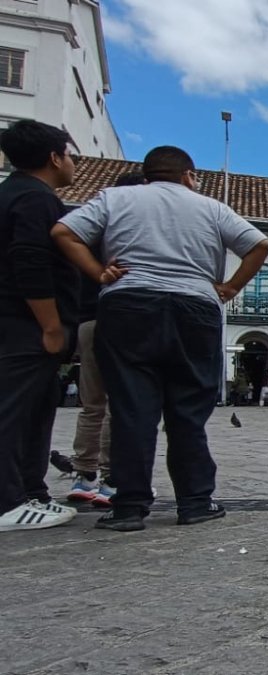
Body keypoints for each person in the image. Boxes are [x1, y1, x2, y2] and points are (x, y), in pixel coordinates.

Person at [53, 145, 268, 532]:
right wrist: (231, 286)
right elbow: (258, 244)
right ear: (188, 175)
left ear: (149, 173)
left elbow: (64, 232)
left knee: (131, 410)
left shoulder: (115, 198)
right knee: (188, 410)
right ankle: (195, 501)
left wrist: (99, 271)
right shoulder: (210, 207)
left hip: (128, 304)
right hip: (194, 306)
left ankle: (129, 506)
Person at [0, 120, 81, 531]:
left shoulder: (16, 194)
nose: (72, 162)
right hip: (24, 322)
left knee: (32, 409)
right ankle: (7, 501)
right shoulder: (34, 199)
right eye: (69, 154)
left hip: (19, 320)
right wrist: (50, 325)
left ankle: (29, 490)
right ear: (54, 157)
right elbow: (29, 262)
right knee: (14, 410)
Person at [66, 170, 145, 507]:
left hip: (88, 319)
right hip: (123, 317)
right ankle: (113, 478)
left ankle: (84, 476)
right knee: (120, 402)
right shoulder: (134, 231)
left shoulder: (89, 230)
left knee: (91, 404)